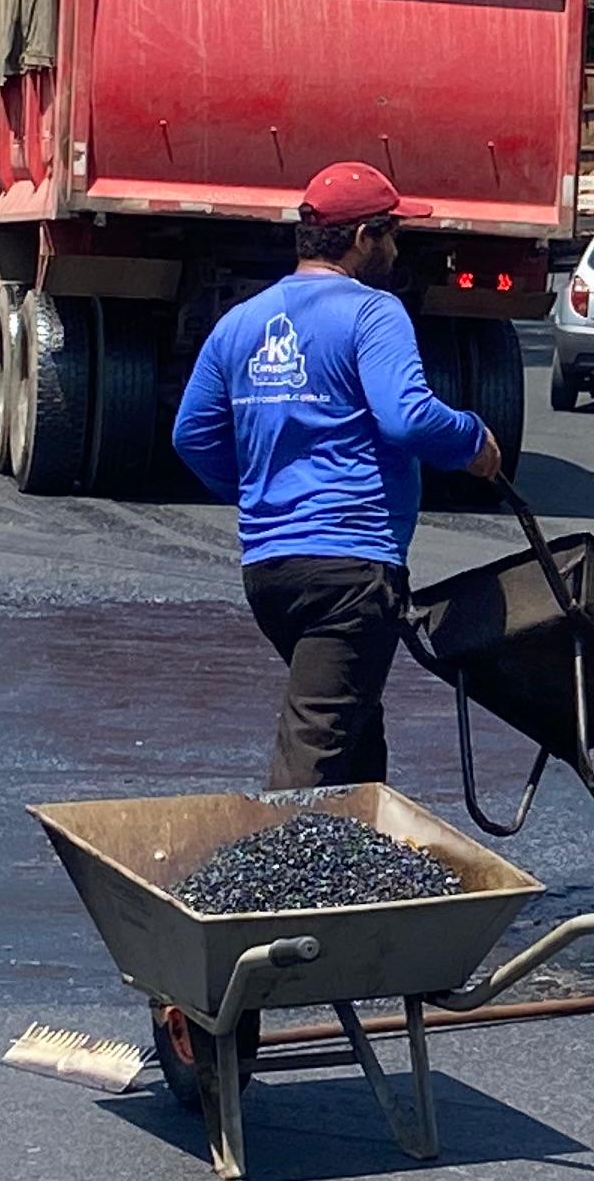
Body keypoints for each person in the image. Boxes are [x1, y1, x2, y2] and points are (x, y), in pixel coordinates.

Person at [171, 161, 504, 790]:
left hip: (270, 572)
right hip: (350, 572)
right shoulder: (373, 313)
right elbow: (406, 418)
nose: (398, 247)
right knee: (316, 747)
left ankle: (361, 865)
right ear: (362, 239)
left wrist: (259, 493)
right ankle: (271, 880)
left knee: (354, 733)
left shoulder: (241, 322)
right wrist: (473, 441)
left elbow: (192, 437)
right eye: (393, 234)